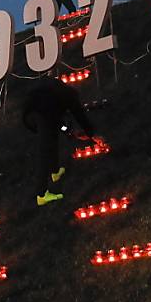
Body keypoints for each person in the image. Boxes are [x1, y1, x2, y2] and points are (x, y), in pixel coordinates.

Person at [22, 76, 100, 207]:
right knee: (44, 150)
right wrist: (91, 134)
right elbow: (80, 117)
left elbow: (59, 122)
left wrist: (69, 132)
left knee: (51, 136)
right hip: (39, 113)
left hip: (31, 111)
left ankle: (55, 172)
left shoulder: (57, 95)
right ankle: (41, 195)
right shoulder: (70, 98)